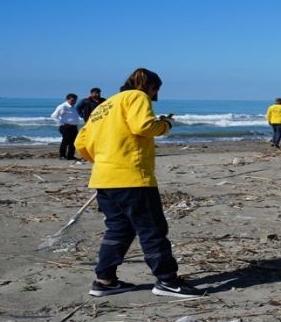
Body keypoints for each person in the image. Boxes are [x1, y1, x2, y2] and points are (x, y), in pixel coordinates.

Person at [74, 68, 203, 298]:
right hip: (132, 177)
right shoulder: (137, 96)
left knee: (119, 229)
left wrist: (105, 160)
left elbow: (81, 143)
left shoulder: (104, 105)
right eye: (155, 90)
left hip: (104, 177)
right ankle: (167, 281)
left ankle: (104, 280)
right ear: (150, 86)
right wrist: (166, 125)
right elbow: (143, 126)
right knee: (152, 229)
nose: (155, 96)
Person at [50, 93, 81, 160]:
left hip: (73, 127)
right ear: (67, 99)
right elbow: (54, 116)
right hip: (66, 127)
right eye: (72, 100)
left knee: (73, 142)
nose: (74, 102)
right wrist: (62, 123)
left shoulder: (73, 107)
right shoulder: (63, 106)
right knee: (65, 141)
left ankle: (70, 156)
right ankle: (62, 156)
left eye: (75, 100)